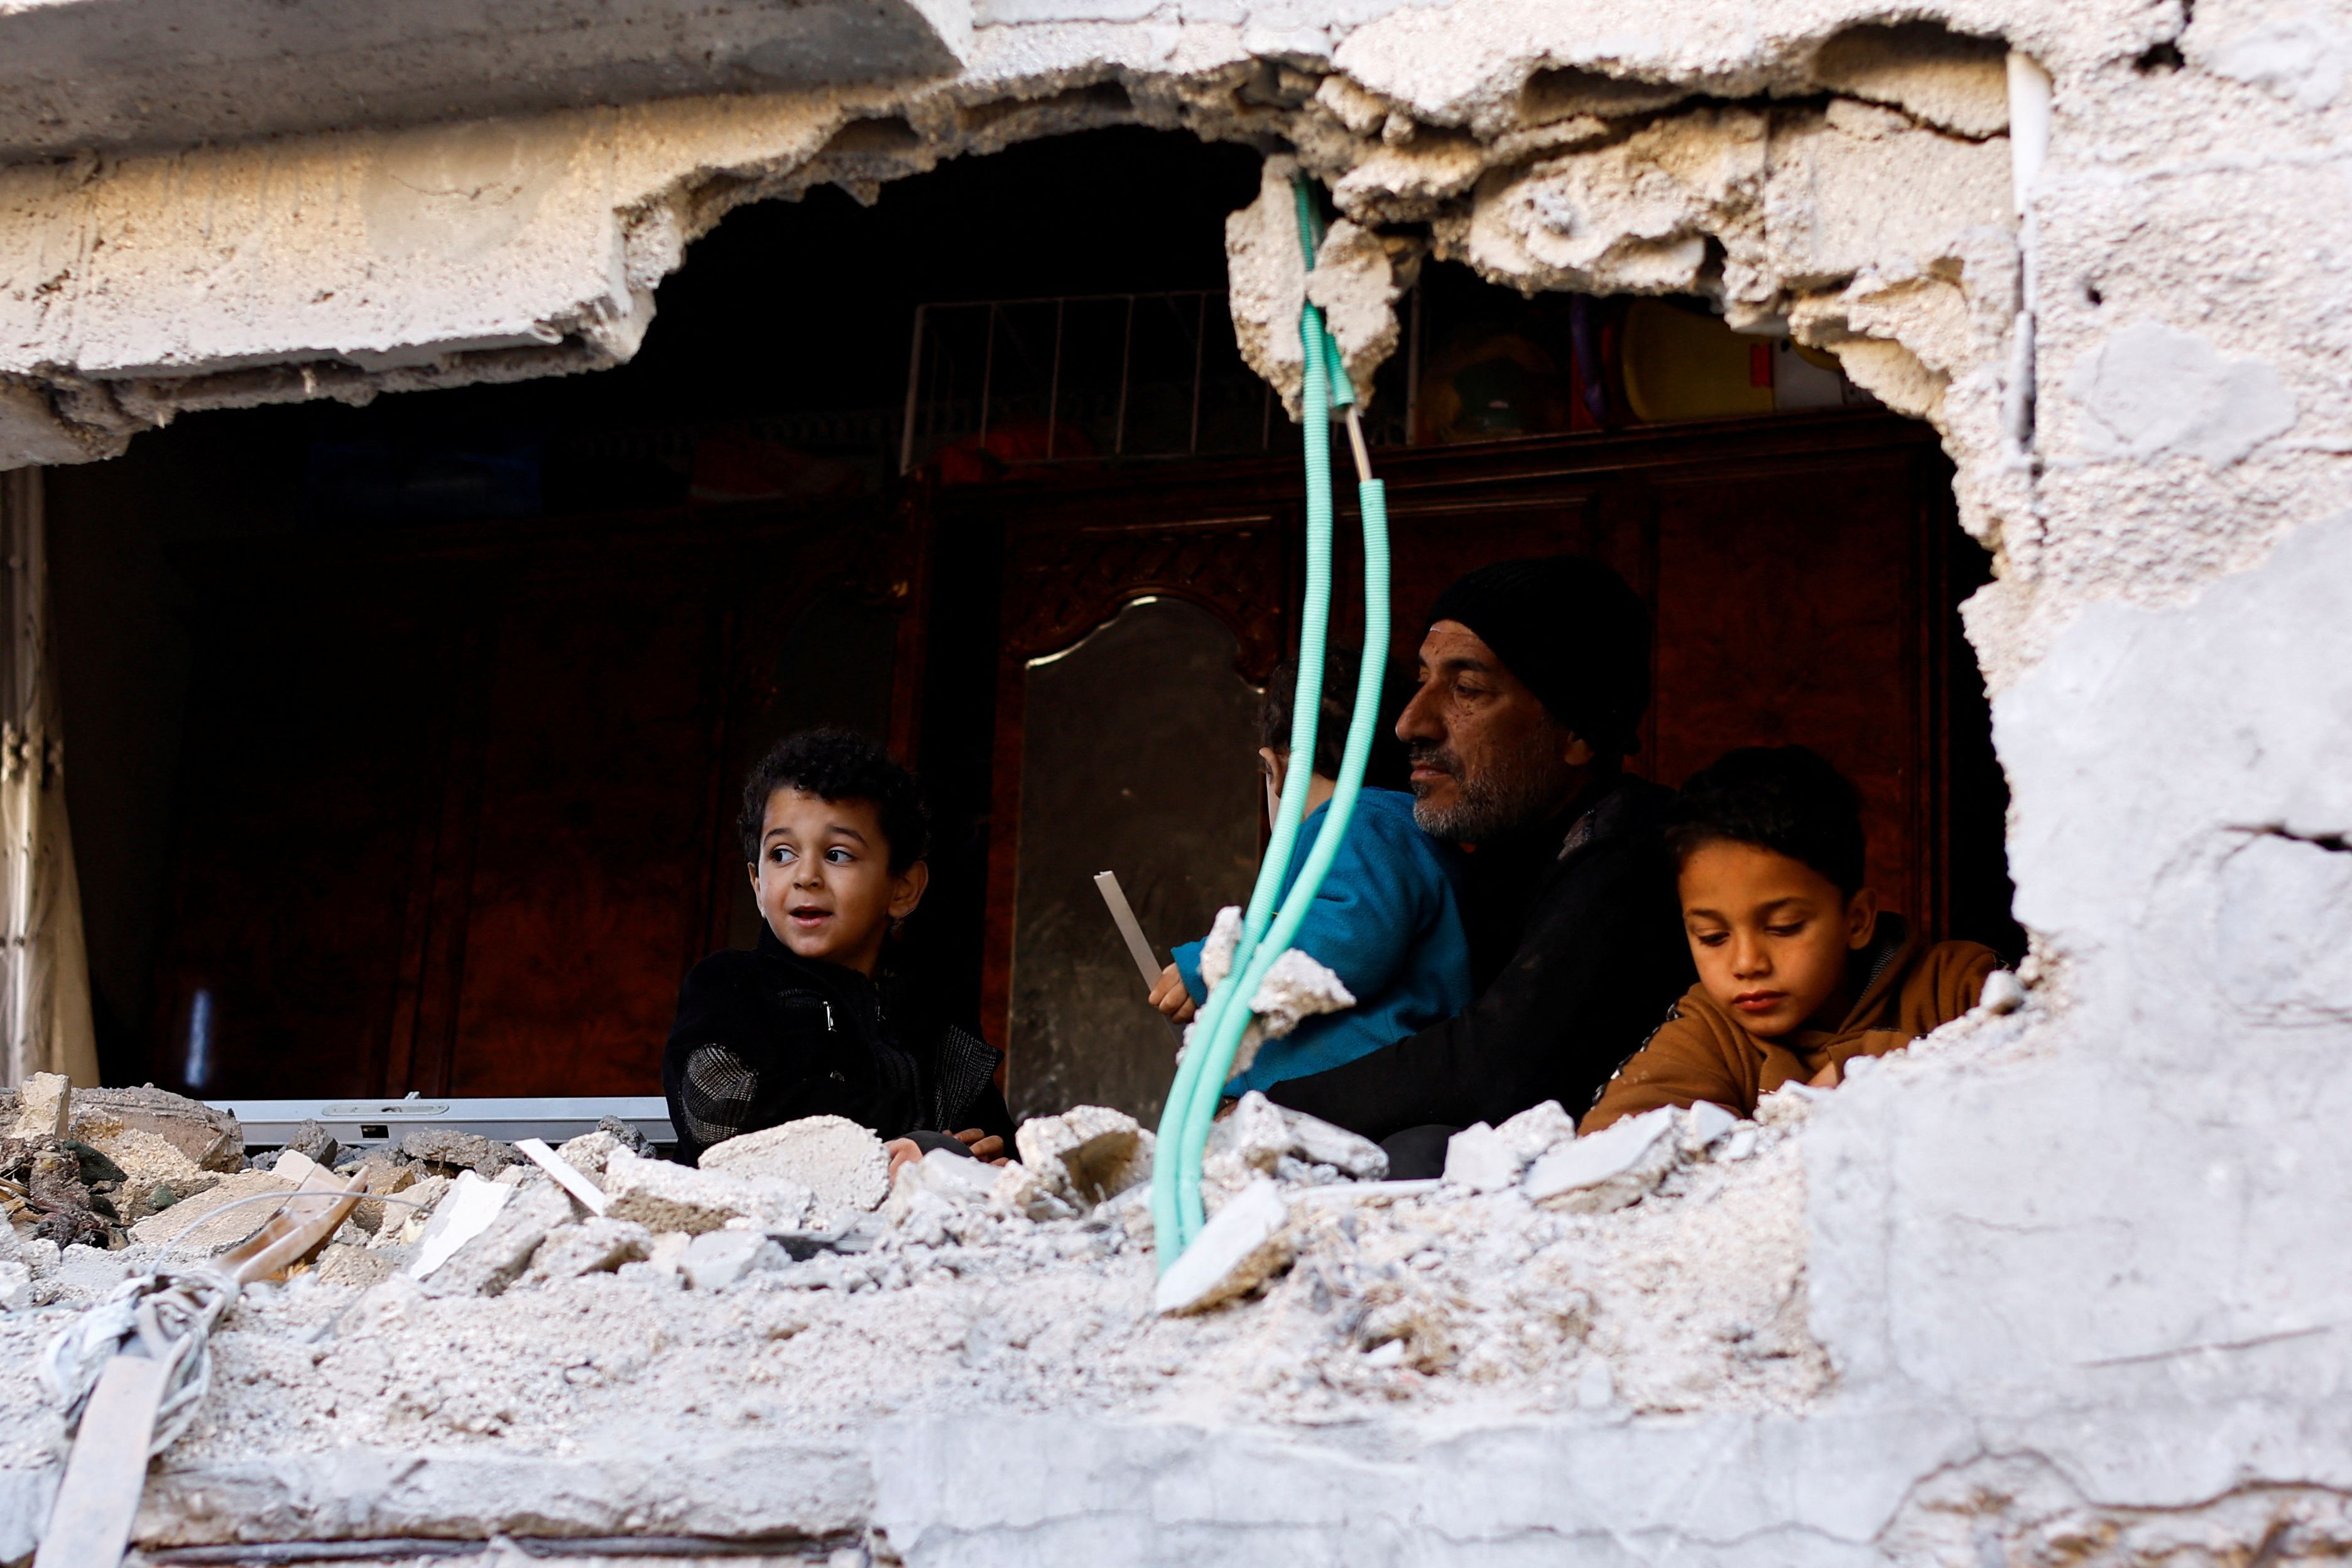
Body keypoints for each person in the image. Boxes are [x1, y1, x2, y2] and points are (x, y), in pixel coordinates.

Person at [1264, 555, 1695, 1175]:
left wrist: (1262, 1110)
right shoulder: (1490, 857)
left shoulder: (1634, 845)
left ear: (1579, 731)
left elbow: (1496, 1066)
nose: (1411, 721)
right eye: (1422, 681)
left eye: (1466, 690)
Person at [1581, 746, 2001, 1132]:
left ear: (1856, 921)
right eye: (1712, 937)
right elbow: (1611, 1151)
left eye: (1783, 927)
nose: (1746, 963)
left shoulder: (1957, 987)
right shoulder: (1710, 1031)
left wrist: (1866, 1065)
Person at [662, 729, 1015, 1175]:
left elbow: (990, 1141)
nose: (805, 876)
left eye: (838, 854)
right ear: (757, 883)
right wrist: (910, 1144)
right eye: (782, 853)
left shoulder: (933, 1006)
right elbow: (720, 1117)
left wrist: (975, 1160)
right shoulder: (728, 984)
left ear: (903, 888)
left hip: (913, 1237)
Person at [1145, 656, 1474, 1097]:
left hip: (1366, 1097)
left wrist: (1216, 967)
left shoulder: (1361, 823)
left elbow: (1344, 940)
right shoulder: (1392, 827)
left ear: (1275, 767)